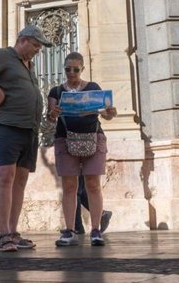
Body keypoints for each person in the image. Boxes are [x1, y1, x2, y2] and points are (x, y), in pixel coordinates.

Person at [0, 25, 52, 252]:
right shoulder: (3, 55)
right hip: (7, 124)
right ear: (23, 39)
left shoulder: (29, 65)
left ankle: (14, 233)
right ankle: (4, 235)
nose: (38, 50)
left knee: (21, 179)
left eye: (39, 47)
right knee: (6, 175)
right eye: (36, 45)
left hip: (29, 129)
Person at [47, 52, 117, 247]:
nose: (71, 72)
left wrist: (111, 113)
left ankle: (96, 230)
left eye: (75, 69)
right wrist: (53, 113)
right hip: (65, 139)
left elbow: (106, 114)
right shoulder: (56, 91)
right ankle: (69, 230)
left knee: (93, 184)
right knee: (69, 186)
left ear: (82, 69)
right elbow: (50, 118)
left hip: (93, 137)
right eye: (68, 69)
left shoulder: (93, 88)